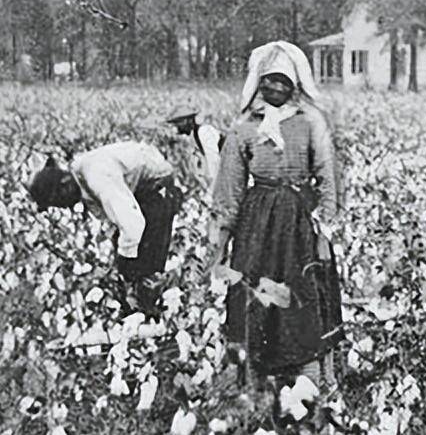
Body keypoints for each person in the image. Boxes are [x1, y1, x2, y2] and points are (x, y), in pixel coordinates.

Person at [209, 40, 343, 391]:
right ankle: (253, 368)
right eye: (269, 81)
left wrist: (325, 231)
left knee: (304, 288)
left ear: (295, 84)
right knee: (253, 287)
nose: (276, 88)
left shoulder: (311, 122)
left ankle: (309, 368)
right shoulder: (244, 127)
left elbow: (327, 176)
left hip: (298, 219)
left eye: (284, 82)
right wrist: (221, 242)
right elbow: (230, 187)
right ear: (258, 83)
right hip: (257, 220)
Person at [27, 142, 182, 314]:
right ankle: (140, 306)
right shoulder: (80, 177)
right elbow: (111, 223)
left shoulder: (96, 177)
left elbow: (132, 224)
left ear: (64, 187)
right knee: (129, 263)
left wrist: (124, 264)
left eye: (57, 202)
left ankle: (154, 312)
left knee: (145, 266)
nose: (63, 208)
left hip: (156, 188)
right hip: (139, 189)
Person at [165, 106, 224, 194]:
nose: (176, 127)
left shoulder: (204, 131)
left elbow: (214, 161)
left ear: (186, 121)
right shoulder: (194, 136)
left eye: (177, 123)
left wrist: (213, 190)